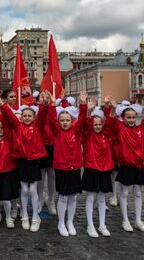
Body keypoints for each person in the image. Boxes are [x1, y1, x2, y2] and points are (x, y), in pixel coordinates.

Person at [0, 94, 48, 232]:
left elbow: (42, 115)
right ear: (22, 117)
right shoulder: (18, 127)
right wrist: (2, 105)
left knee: (33, 190)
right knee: (24, 189)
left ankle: (35, 217)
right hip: (22, 161)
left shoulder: (37, 126)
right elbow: (10, 117)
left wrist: (45, 104)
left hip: (34, 161)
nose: (27, 118)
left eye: (30, 116)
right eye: (25, 116)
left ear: (34, 117)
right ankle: (24, 215)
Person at [109, 89, 144, 233]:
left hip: (139, 167)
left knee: (138, 193)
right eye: (128, 117)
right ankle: (125, 220)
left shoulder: (142, 129)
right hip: (126, 166)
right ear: (123, 118)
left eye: (133, 117)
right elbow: (111, 121)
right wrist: (112, 108)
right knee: (123, 194)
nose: (131, 120)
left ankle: (138, 220)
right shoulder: (120, 129)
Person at [46, 91, 87, 237]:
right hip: (62, 168)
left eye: (67, 120)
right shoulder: (57, 132)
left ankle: (70, 222)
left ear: (72, 120)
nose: (64, 122)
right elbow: (51, 119)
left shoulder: (76, 131)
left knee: (73, 196)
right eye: (62, 120)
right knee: (63, 196)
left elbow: (82, 119)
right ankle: (61, 222)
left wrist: (83, 104)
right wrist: (52, 105)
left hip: (75, 167)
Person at [81, 96, 116, 237]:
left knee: (102, 199)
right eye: (95, 124)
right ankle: (90, 226)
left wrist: (109, 107)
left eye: (99, 124)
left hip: (104, 169)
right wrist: (87, 110)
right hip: (91, 169)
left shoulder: (106, 134)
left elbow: (112, 123)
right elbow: (85, 123)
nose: (97, 126)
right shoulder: (87, 135)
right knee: (90, 198)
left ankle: (102, 225)